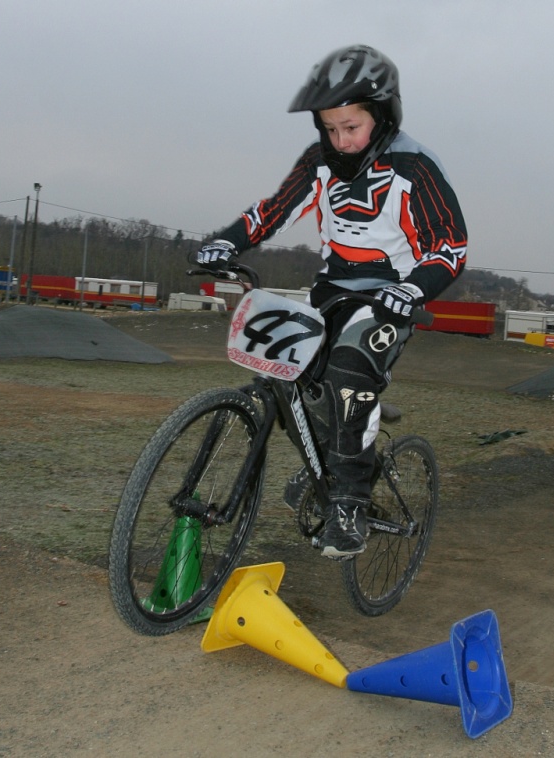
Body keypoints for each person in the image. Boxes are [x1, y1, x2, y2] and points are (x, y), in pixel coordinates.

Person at [195, 44, 467, 559]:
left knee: (348, 367)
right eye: (330, 128)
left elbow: (449, 246)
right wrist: (229, 241)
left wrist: (413, 289)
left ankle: (350, 504)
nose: (339, 140)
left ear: (383, 117)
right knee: (289, 377)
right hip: (331, 292)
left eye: (351, 127)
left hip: (391, 298)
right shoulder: (320, 161)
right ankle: (326, 460)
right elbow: (275, 210)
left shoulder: (415, 167)